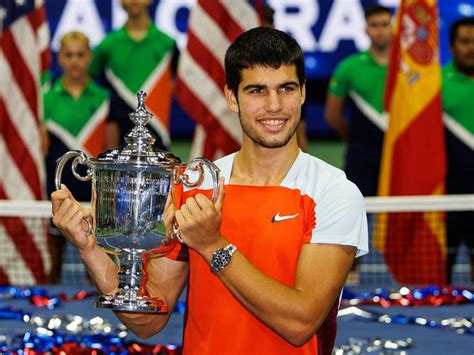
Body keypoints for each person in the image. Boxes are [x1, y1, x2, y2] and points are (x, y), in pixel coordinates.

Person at [51, 27, 368, 354]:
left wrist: (213, 246)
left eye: (286, 89)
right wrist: (89, 248)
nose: (274, 106)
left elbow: (300, 322)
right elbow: (148, 320)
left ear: (302, 92)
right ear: (232, 97)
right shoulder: (195, 183)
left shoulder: (334, 192)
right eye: (257, 91)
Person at [43, 31, 118, 283]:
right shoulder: (45, 98)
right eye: (69, 55)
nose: (75, 60)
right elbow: (41, 146)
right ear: (60, 58)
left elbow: (111, 152)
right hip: (56, 193)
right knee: (52, 267)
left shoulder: (104, 98)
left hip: (93, 195)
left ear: (89, 57)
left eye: (80, 54)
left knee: (96, 269)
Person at [89, 0, 178, 149]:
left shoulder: (167, 44)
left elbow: (181, 85)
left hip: (158, 139)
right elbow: (88, 85)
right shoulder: (107, 46)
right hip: (118, 144)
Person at [324, 5, 392, 197]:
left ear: (393, 27)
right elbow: (332, 115)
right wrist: (355, 138)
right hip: (361, 157)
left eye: (385, 25)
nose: (380, 30)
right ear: (366, 29)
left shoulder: (407, 68)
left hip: (400, 156)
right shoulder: (348, 67)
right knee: (360, 213)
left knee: (400, 218)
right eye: (374, 25)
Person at [442, 17, 474, 284]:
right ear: (452, 47)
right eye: (464, 42)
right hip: (446, 195)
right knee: (443, 266)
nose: (471, 48)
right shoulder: (435, 85)